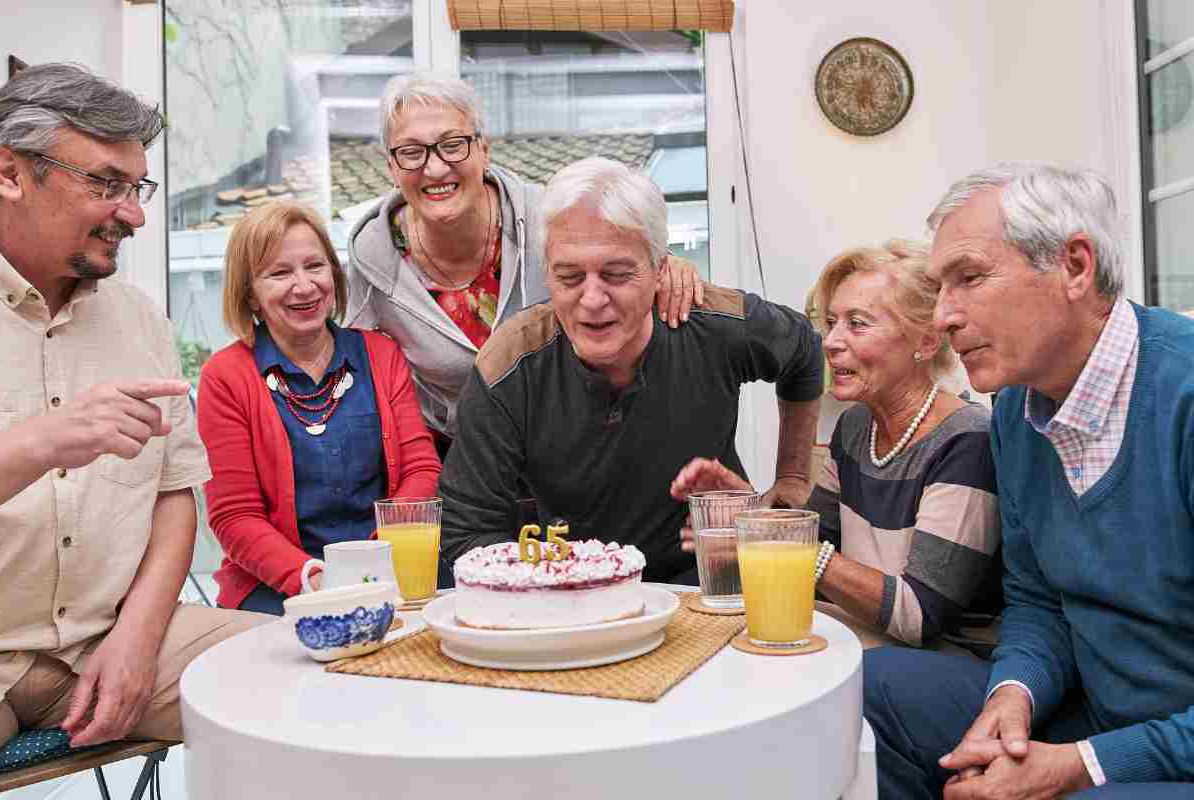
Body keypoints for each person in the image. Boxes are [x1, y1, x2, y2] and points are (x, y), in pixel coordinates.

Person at [864, 163, 1194, 799]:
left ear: (1075, 266)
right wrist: (1009, 698)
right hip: (1092, 710)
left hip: (1173, 747)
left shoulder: (1182, 397)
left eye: (969, 279)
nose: (943, 318)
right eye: (937, 289)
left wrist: (1081, 765)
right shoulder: (1014, 411)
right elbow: (1038, 601)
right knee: (870, 691)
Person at [0, 63, 267, 752]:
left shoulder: (139, 320)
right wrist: (46, 441)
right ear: (8, 173)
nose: (135, 213)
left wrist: (139, 638)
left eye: (135, 186)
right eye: (106, 184)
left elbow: (175, 495)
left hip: (105, 637)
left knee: (319, 681)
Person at [436, 157, 823, 585]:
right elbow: (466, 534)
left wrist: (792, 476)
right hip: (568, 594)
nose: (592, 299)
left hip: (706, 584)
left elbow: (805, 350)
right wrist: (557, 581)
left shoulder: (713, 324)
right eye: (569, 277)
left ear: (660, 269)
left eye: (617, 274)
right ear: (546, 272)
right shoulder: (509, 365)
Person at [344, 73, 705, 459]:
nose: (434, 169)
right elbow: (356, 366)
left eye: (453, 145)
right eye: (412, 152)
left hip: (570, 440)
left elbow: (622, 252)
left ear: (484, 150)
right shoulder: (373, 256)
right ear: (391, 167)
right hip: (457, 458)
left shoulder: (546, 215)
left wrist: (668, 268)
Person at [671, 240, 1000, 647]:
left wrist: (773, 535)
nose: (830, 341)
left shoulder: (966, 440)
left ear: (927, 341)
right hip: (868, 640)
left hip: (946, 659)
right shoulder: (855, 428)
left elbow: (918, 615)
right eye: (831, 322)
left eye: (857, 323)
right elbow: (815, 562)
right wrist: (750, 511)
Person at [197, 201, 441, 615]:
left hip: (389, 569)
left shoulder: (380, 353)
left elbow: (421, 468)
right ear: (250, 295)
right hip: (279, 586)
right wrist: (313, 578)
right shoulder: (226, 377)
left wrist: (376, 562)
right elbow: (235, 516)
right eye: (279, 273)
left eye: (315, 266)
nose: (304, 285)